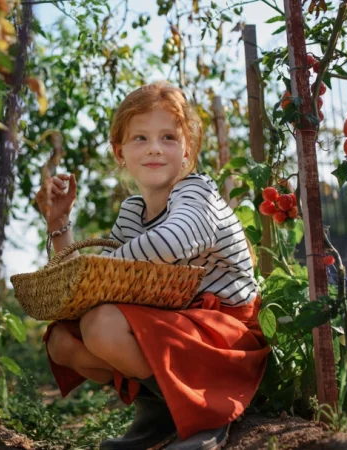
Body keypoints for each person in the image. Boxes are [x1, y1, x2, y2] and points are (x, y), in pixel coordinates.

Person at [34, 81, 270, 450]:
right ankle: (162, 412)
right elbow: (87, 286)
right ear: (120, 153)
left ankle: (208, 410)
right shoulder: (133, 211)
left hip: (224, 336)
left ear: (187, 150)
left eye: (168, 138)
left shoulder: (197, 192)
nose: (155, 149)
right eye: (140, 138)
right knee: (64, 340)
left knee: (102, 324)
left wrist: (98, 267)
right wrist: (58, 223)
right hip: (177, 327)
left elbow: (173, 240)